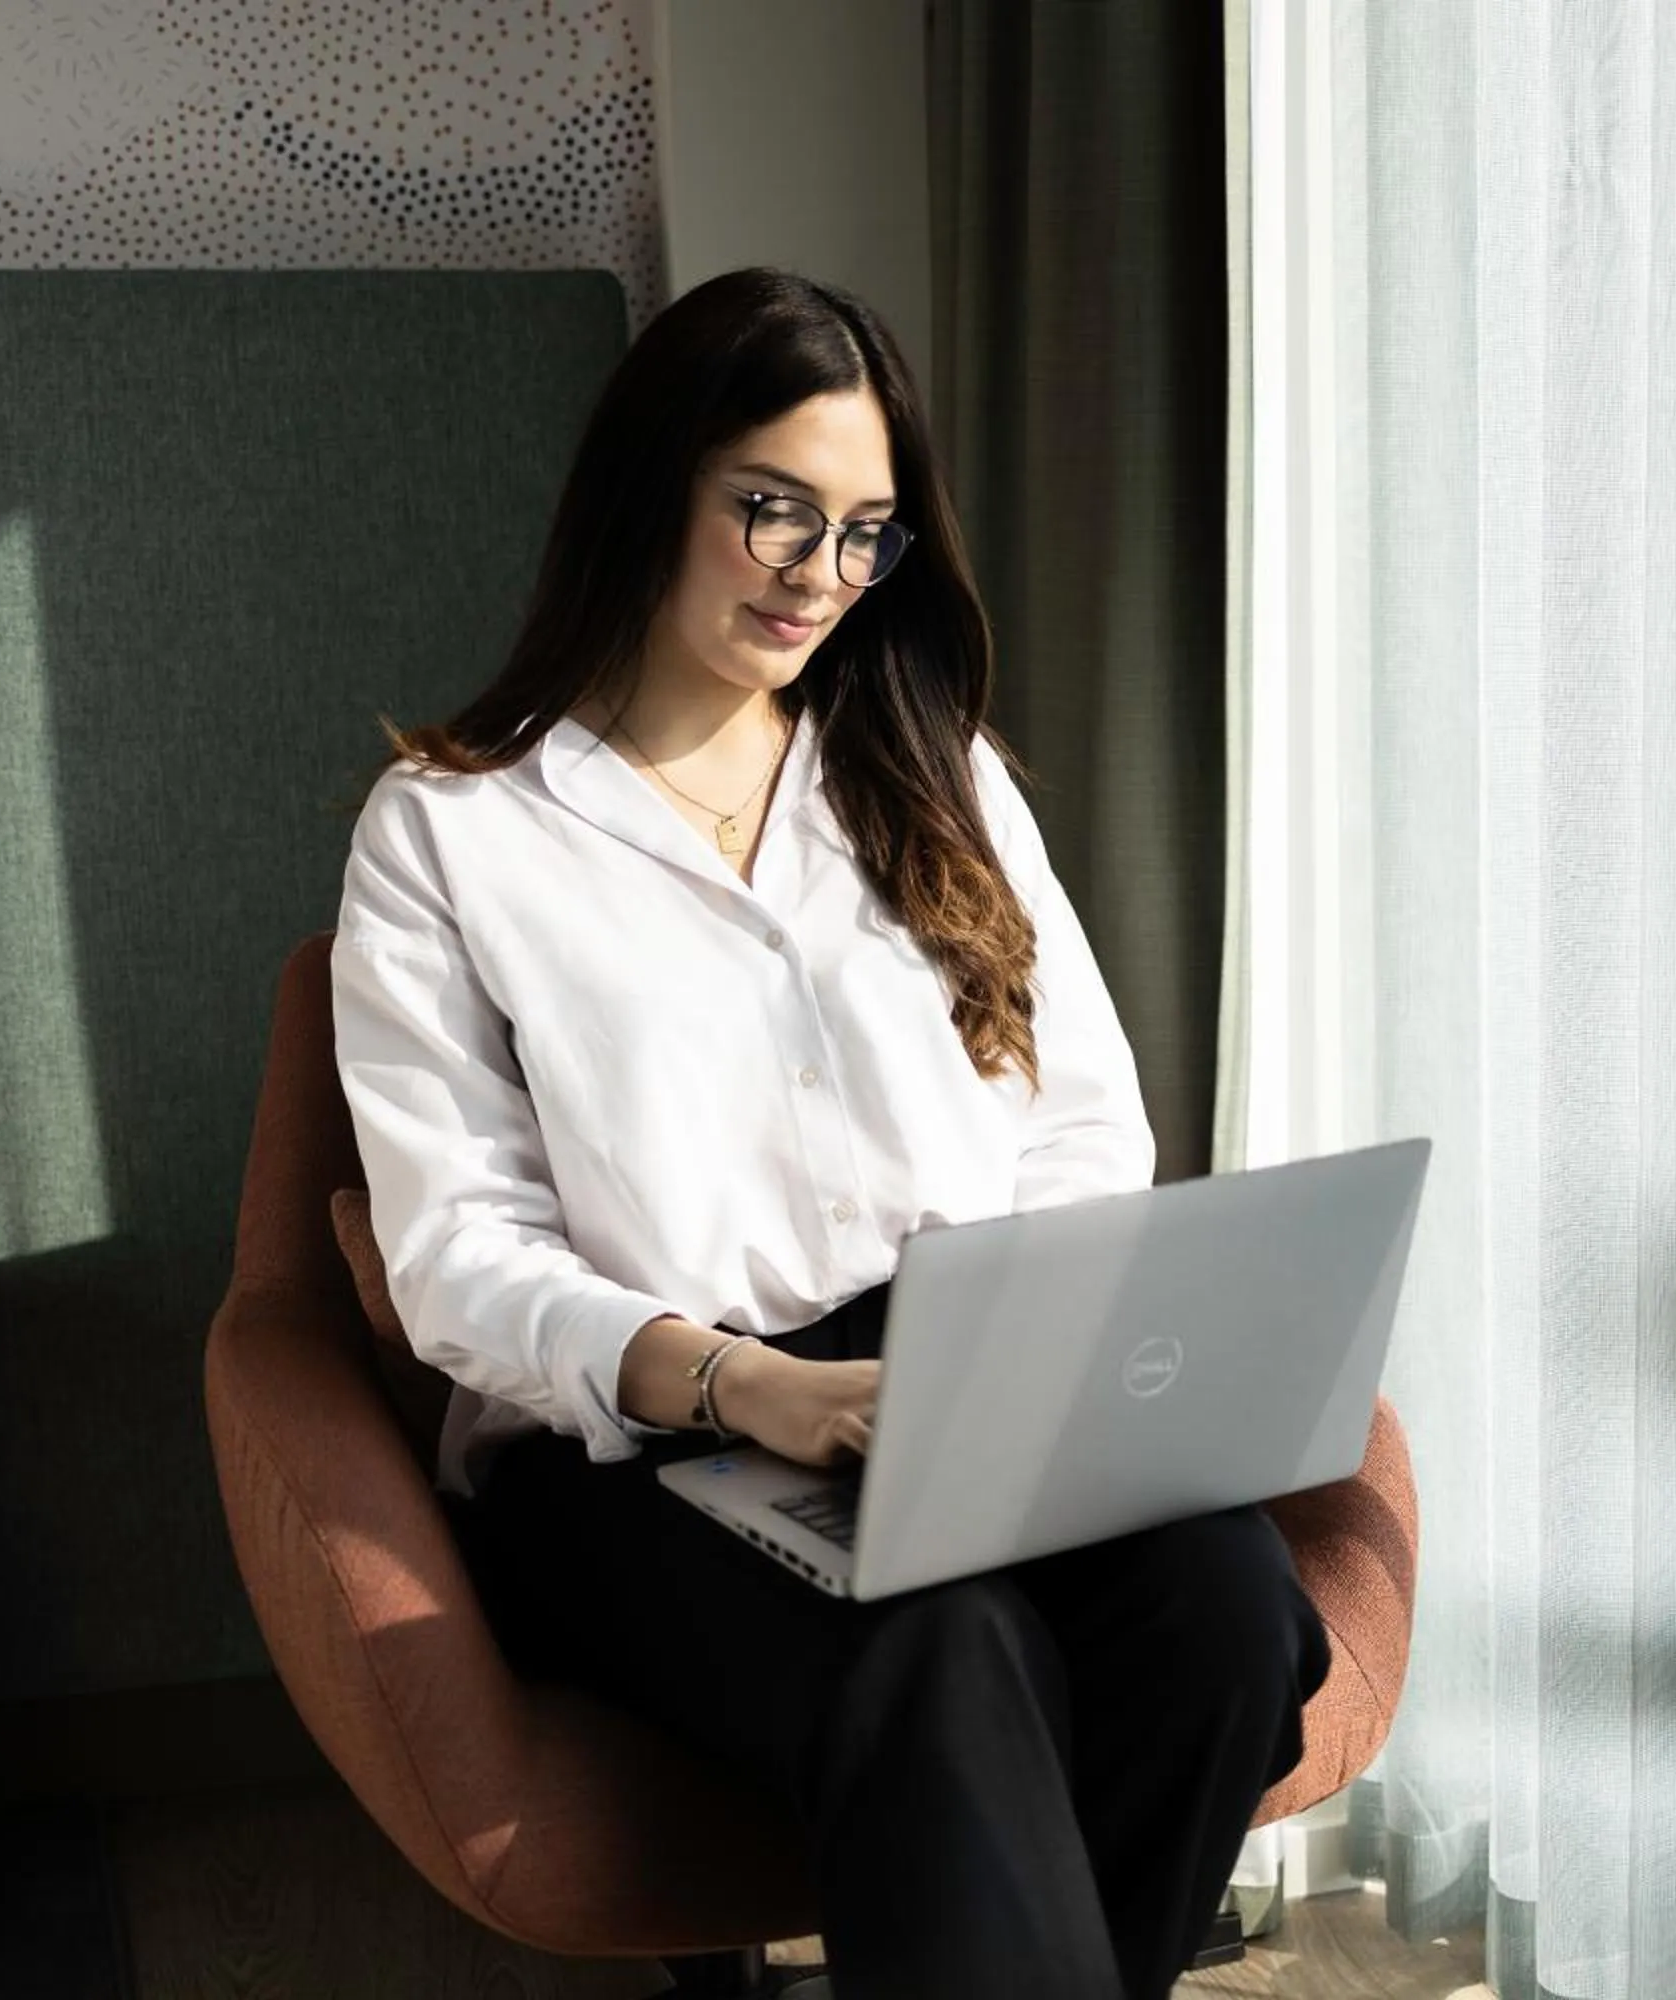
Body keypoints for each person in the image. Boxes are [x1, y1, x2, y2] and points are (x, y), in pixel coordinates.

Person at [330, 266, 1330, 2000]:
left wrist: (1012, 1356)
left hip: (957, 1379)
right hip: (638, 1443)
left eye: (866, 531)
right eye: (775, 509)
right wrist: (744, 1385)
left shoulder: (938, 771)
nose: (821, 573)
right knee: (941, 1647)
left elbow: (1082, 1123)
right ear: (655, 484)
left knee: (1228, 1615)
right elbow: (454, 1254)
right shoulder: (452, 830)